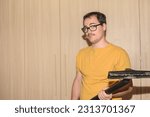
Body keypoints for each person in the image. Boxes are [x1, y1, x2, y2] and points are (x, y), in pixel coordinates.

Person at [71, 11, 133, 100]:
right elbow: (78, 80)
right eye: (86, 28)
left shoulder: (119, 53)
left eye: (92, 26)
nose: (88, 31)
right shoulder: (81, 53)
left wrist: (111, 94)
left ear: (104, 26)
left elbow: (129, 87)